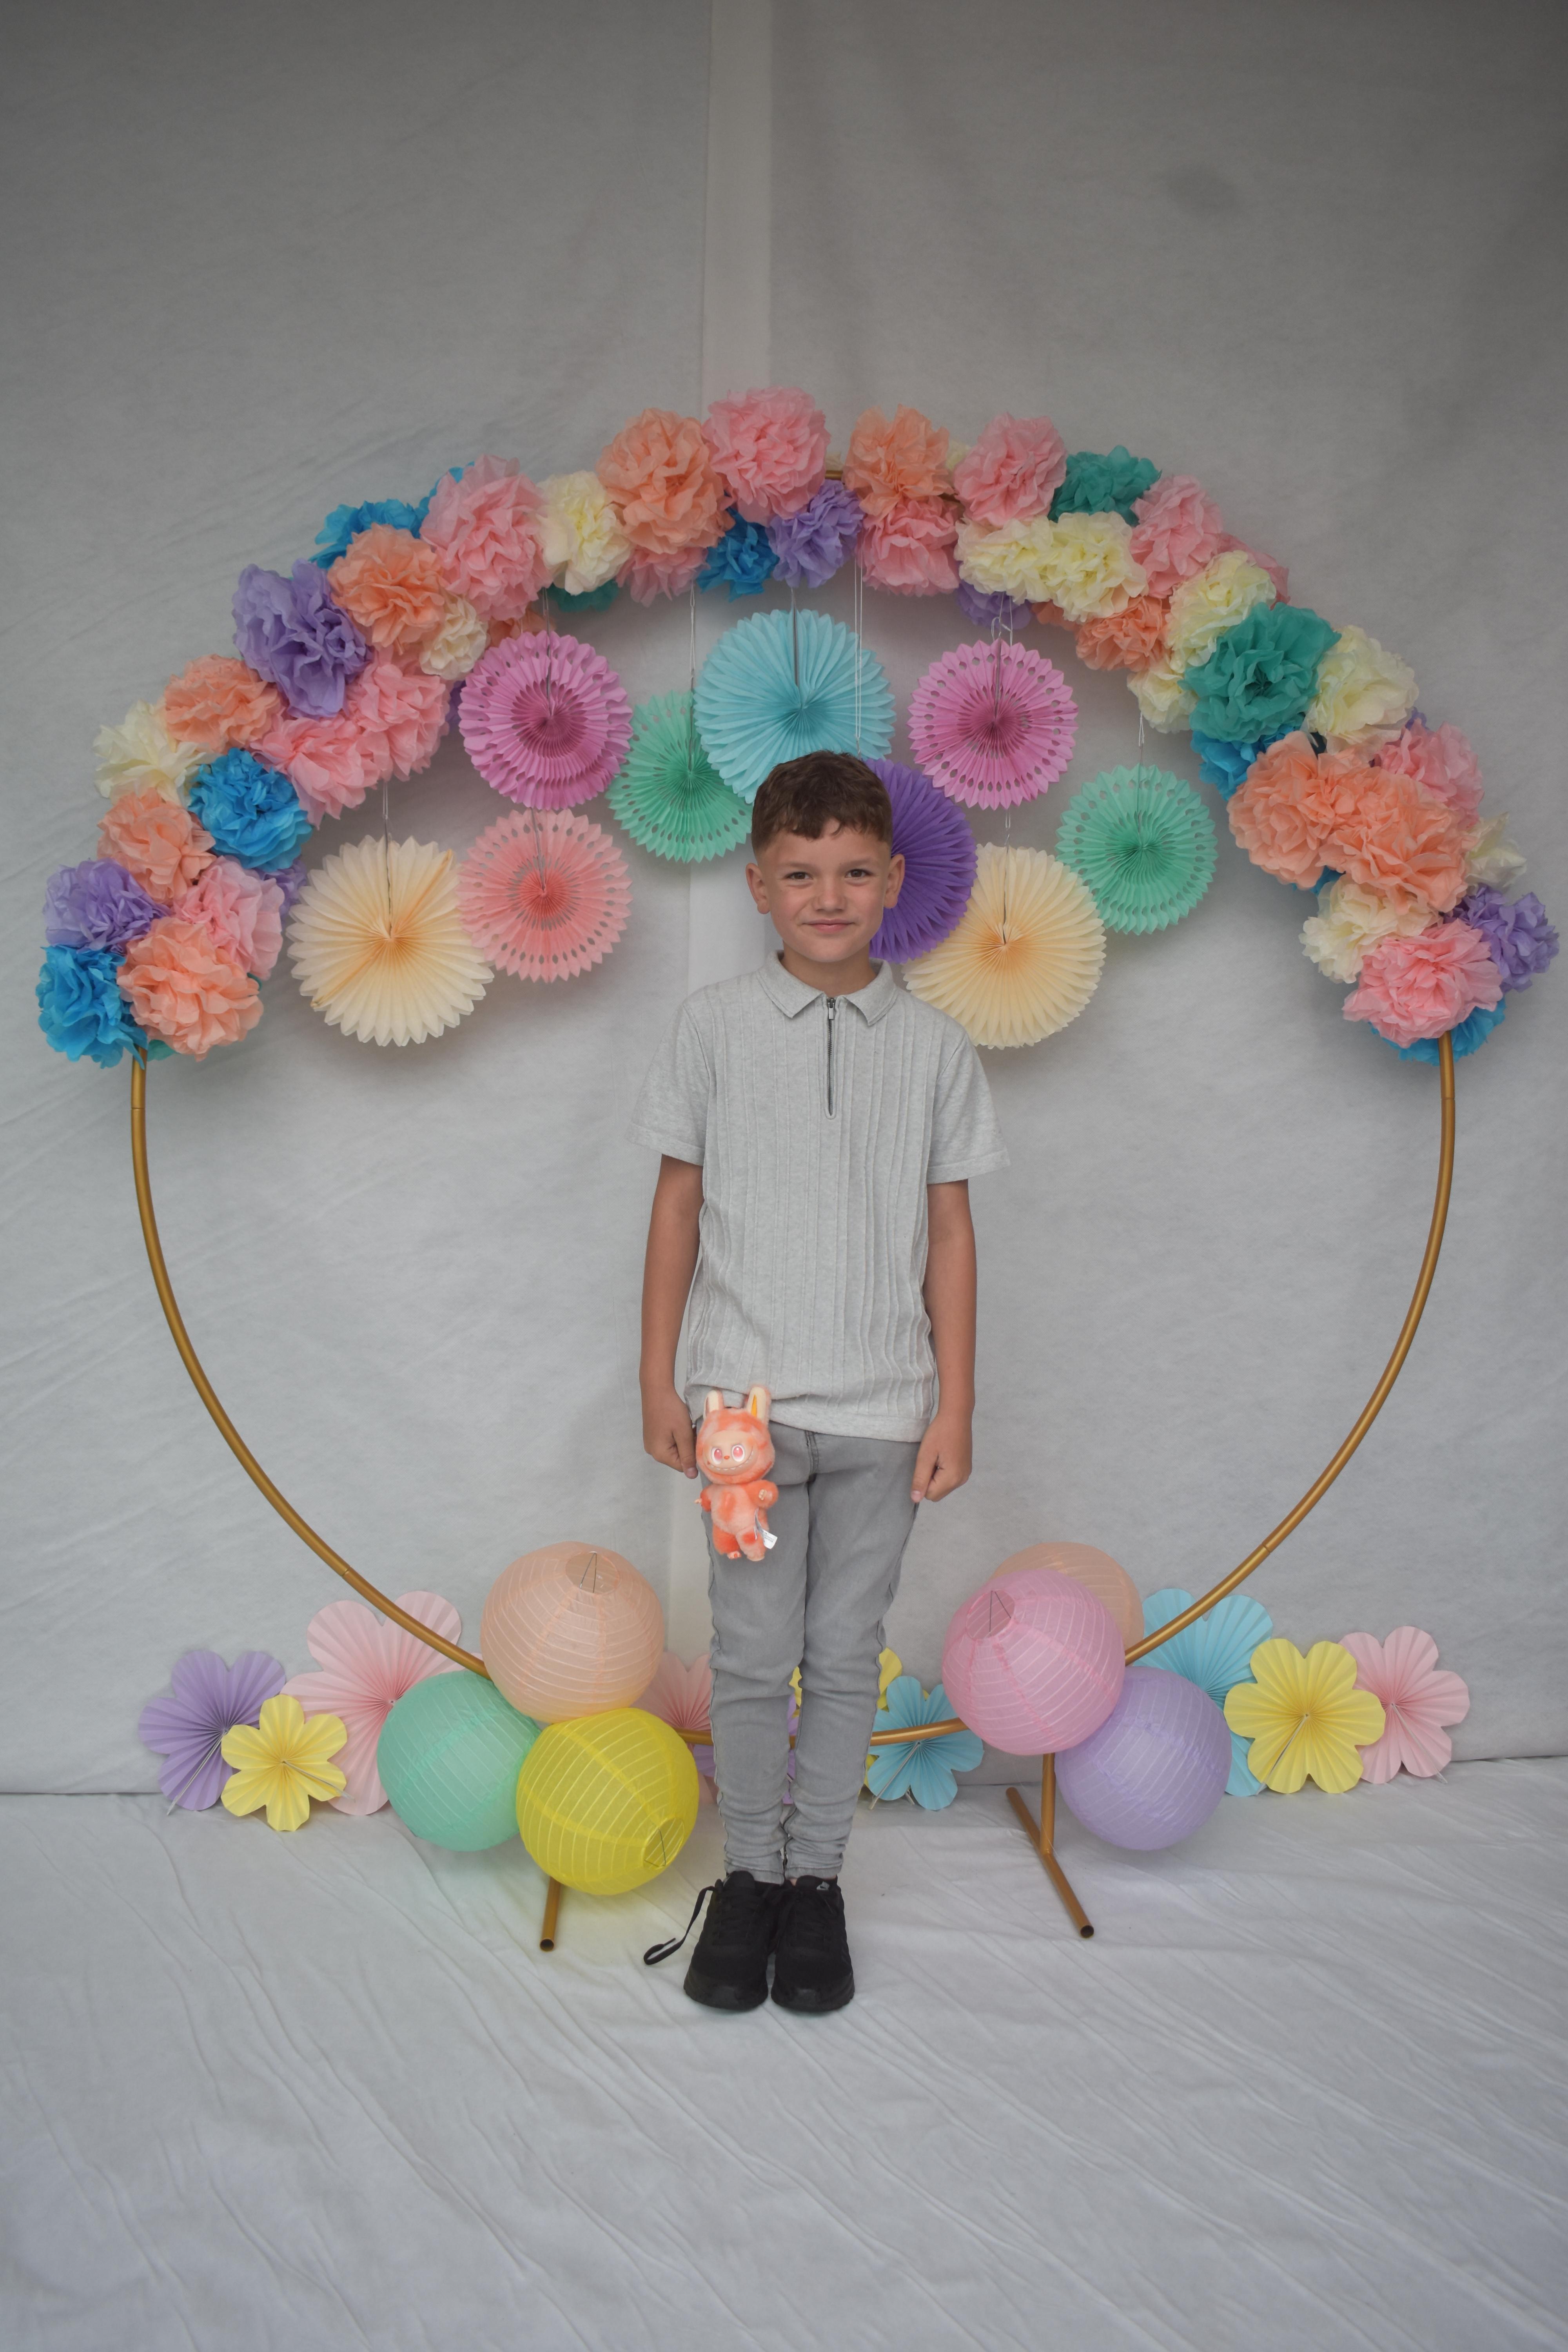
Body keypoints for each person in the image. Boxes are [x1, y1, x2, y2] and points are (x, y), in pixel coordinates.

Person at [630, 751, 1006, 2014]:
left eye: (852, 872)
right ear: (758, 885)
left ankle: (816, 1883)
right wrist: (658, 1379)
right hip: (739, 1412)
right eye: (800, 874)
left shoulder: (938, 1047)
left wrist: (955, 1404)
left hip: (886, 1411)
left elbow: (950, 1232)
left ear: (893, 880)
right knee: (749, 1655)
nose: (828, 896)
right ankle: (749, 1877)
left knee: (845, 1652)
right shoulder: (713, 1029)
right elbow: (675, 1207)